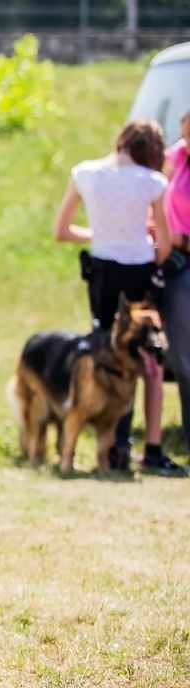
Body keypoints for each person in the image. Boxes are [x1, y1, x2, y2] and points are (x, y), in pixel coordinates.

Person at [53, 117, 184, 475]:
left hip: (102, 276)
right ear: (152, 152)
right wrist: (141, 236)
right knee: (151, 362)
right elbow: (163, 248)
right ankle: (152, 448)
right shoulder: (152, 182)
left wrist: (99, 233)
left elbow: (61, 231)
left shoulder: (85, 173)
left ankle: (111, 446)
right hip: (139, 278)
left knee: (104, 355)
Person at [158, 110, 190, 446]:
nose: (187, 145)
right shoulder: (176, 156)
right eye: (185, 136)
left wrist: (180, 239)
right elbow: (154, 193)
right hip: (177, 261)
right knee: (182, 354)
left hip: (182, 249)